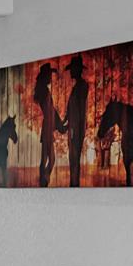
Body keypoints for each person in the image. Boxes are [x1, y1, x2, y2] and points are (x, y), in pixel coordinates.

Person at [57, 54, 89, 187]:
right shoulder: (77, 87)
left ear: (77, 70)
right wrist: (64, 122)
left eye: (72, 69)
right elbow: (71, 109)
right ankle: (73, 184)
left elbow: (79, 110)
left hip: (76, 128)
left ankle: (74, 185)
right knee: (73, 159)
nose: (70, 72)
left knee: (74, 158)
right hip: (73, 127)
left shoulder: (82, 87)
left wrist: (73, 127)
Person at [34, 63, 59, 187]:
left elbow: (52, 110)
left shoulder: (43, 91)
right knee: (49, 159)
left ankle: (43, 182)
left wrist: (59, 123)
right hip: (48, 126)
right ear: (45, 76)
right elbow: (51, 110)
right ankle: (44, 182)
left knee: (45, 159)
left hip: (48, 126)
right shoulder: (44, 91)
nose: (51, 77)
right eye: (49, 74)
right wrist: (59, 124)